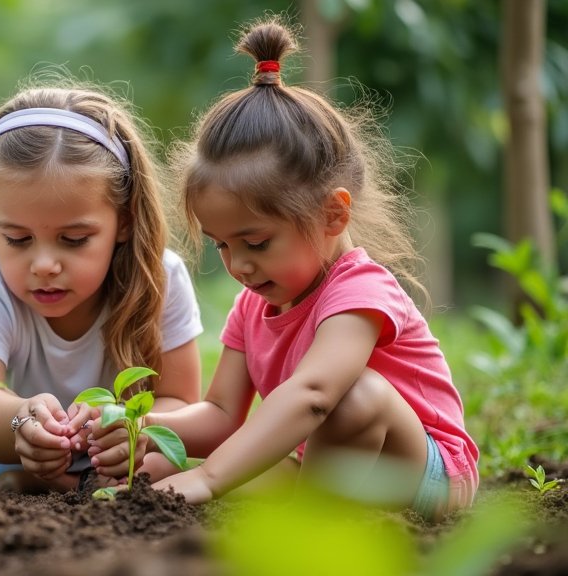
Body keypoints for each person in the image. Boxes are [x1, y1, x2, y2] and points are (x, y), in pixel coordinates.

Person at [147, 17, 478, 519]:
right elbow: (219, 415)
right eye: (221, 246)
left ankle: (312, 533)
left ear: (332, 214)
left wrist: (211, 477)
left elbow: (316, 396)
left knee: (355, 395)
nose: (239, 264)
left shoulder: (361, 292)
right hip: (318, 466)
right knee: (160, 469)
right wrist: (136, 425)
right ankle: (311, 509)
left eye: (255, 242)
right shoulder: (253, 305)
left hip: (423, 475)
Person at [0, 77, 204, 492]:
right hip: (29, 467)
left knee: (165, 477)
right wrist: (21, 423)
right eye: (18, 239)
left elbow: (182, 401)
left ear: (125, 220)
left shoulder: (160, 277)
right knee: (13, 483)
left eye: (75, 239)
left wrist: (136, 431)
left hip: (133, 467)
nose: (44, 265)